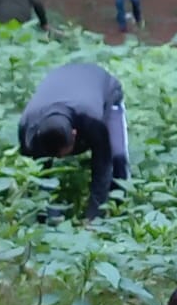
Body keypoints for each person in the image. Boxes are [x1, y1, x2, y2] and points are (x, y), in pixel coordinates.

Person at [17, 63, 130, 223]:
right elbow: (34, 174)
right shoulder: (28, 127)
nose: (62, 158)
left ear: (75, 133)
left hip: (101, 85)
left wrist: (94, 217)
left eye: (64, 152)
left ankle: (119, 210)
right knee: (40, 168)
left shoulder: (92, 120)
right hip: (64, 82)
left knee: (117, 157)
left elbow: (102, 167)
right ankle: (44, 214)